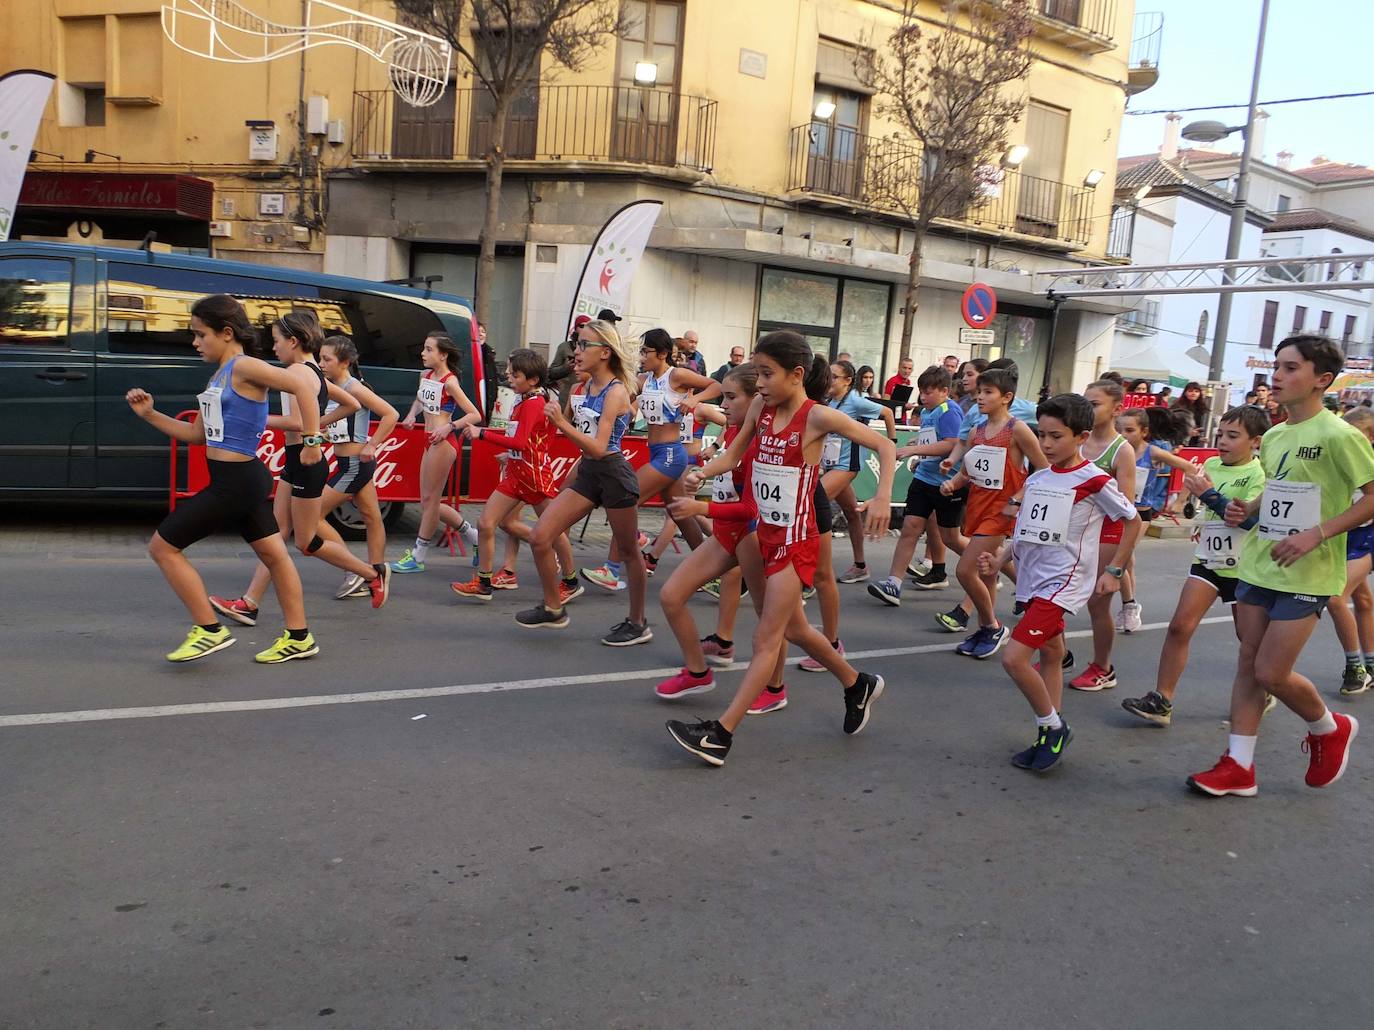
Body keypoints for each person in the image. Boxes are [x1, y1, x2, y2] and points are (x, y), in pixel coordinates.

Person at [663, 330, 895, 767]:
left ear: (797, 374)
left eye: (767, 373)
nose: (760, 382)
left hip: (797, 541)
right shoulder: (759, 407)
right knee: (796, 630)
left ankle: (720, 734)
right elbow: (734, 455)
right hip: (763, 533)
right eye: (757, 372)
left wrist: (882, 495)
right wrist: (702, 473)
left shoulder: (817, 417)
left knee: (766, 638)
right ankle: (856, 682)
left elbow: (883, 443)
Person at [1187, 334, 1374, 797]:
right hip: (1258, 564)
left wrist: (1317, 534)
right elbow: (1278, 490)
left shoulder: (1341, 435)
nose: (1278, 376)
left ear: (1322, 380)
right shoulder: (1274, 434)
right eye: (1277, 366)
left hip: (1310, 571)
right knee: (1249, 665)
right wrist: (1246, 509)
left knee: (1272, 672)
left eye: (1291, 368)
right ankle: (1239, 766)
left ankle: (1330, 728)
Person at [125, 294, 321, 664]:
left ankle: (209, 630)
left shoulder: (245, 367)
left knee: (162, 547)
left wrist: (312, 441)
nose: (195, 343)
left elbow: (304, 388)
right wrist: (150, 415)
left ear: (227, 332)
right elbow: (198, 435)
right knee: (275, 556)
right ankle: (299, 637)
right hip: (240, 478)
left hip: (237, 481)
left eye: (201, 335)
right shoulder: (219, 375)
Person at [978, 393, 1141, 771]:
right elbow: (1027, 529)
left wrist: (1115, 571)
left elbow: (1133, 521)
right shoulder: (1040, 477)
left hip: (1062, 584)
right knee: (1051, 654)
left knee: (1015, 659)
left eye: (1056, 437)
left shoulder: (1095, 479)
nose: (1047, 444)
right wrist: (1000, 557)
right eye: (1043, 435)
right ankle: (1046, 731)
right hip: (1032, 580)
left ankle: (1053, 727)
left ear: (1081, 436)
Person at [209, 312, 390, 626]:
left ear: (294, 341)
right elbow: (352, 405)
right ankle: (249, 603)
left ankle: (371, 574)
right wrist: (316, 426)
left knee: (306, 542)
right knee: (276, 536)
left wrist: (256, 421)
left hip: (306, 463)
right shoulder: (313, 372)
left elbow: (297, 420)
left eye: (277, 341)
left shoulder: (298, 372)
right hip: (298, 460)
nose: (273, 347)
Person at [1120, 405, 1269, 725]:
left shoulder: (1259, 475)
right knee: (1179, 627)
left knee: (1249, 639)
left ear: (1255, 441)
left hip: (1244, 569)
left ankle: (1263, 689)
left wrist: (1211, 495)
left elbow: (1246, 522)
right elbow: (1204, 503)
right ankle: (1162, 700)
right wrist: (1194, 510)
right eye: (1220, 435)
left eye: (1233, 436)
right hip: (1209, 561)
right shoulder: (1213, 463)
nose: (1223, 442)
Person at [516, 319, 650, 644]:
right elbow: (582, 442)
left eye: (583, 345)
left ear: (604, 352)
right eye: (576, 344)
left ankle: (637, 622)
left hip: (614, 473)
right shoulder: (583, 388)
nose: (576, 351)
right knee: (539, 536)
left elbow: (600, 447)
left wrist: (562, 422)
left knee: (630, 553)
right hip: (589, 472)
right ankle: (553, 608)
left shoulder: (616, 391)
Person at [653, 364, 767, 702]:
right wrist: (700, 474)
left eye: (731, 398)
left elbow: (751, 510)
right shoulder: (733, 433)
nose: (725, 405)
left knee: (776, 623)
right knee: (671, 595)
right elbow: (725, 463)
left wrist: (699, 508)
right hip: (726, 535)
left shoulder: (758, 443)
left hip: (751, 536)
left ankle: (782, 686)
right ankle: (699, 671)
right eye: (724, 398)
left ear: (756, 401)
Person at [581, 329, 720, 592]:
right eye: (640, 352)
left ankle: (611, 570)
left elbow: (716, 385)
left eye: (646, 352)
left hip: (670, 455)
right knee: (681, 514)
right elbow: (621, 396)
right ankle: (712, 571)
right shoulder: (643, 380)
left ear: (663, 354)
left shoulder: (676, 375)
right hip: (657, 452)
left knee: (626, 500)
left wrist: (695, 399)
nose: (641, 357)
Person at [451, 348, 581, 605]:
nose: (509, 376)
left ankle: (570, 581)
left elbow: (521, 441)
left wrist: (483, 435)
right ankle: (484, 581)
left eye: (515, 373)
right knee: (486, 523)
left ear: (532, 379)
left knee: (554, 532)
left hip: (534, 478)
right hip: (516, 474)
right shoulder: (525, 398)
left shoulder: (534, 403)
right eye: (510, 371)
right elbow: (523, 438)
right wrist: (504, 450)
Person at [939, 367, 1047, 659]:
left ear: (1006, 397)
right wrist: (952, 483)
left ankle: (992, 625)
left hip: (1000, 513)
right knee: (988, 571)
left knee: (965, 570)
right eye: (979, 392)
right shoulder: (976, 431)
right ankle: (985, 629)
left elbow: (1044, 470)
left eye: (988, 392)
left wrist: (1018, 497)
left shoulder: (1017, 430)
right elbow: (968, 472)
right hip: (977, 507)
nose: (980, 397)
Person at [868, 365, 966, 605]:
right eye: (921, 392)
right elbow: (933, 440)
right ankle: (893, 584)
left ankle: (991, 565)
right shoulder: (929, 411)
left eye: (928, 392)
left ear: (944, 391)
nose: (923, 397)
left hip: (947, 484)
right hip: (923, 479)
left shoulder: (949, 410)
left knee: (951, 538)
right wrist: (920, 451)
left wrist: (914, 449)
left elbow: (951, 443)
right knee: (910, 527)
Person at [388, 333, 483, 573]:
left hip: (444, 442)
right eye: (424, 348)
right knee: (428, 501)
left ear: (443, 355)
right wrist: (411, 415)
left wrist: (448, 427)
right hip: (427, 439)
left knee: (430, 502)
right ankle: (475, 536)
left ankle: (418, 556)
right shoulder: (426, 376)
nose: (423, 353)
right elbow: (421, 400)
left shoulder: (450, 382)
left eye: (429, 349)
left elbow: (474, 415)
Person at [317, 335, 400, 600]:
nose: (321, 364)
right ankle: (377, 572)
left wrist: (372, 445)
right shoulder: (332, 387)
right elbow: (340, 428)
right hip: (347, 462)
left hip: (355, 465)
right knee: (371, 515)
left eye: (326, 359)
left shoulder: (354, 388)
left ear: (345, 362)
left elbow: (391, 414)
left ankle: (354, 570)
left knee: (312, 517)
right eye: (320, 358)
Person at [1068, 379, 1137, 691]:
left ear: (1117, 409)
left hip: (1107, 534)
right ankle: (1056, 653)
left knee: (1098, 604)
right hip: (1073, 530)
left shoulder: (1121, 451)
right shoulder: (1076, 441)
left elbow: (1127, 509)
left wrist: (1118, 565)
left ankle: (1103, 667)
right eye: (1085, 402)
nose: (1087, 408)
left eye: (1095, 404)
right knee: (1056, 595)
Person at [823, 359, 896, 585]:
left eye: (835, 376)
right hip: (831, 465)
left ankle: (809, 574)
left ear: (847, 381)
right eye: (829, 375)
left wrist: (892, 441)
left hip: (847, 467)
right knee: (852, 513)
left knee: (809, 508)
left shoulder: (856, 401)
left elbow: (887, 413)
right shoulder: (829, 402)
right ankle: (860, 566)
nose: (830, 380)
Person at [1326, 406, 1374, 696]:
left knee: (1334, 598)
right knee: (1363, 600)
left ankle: (1354, 666)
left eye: (1355, 436)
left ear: (1370, 437)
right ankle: (1371, 663)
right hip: (1341, 537)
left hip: (1366, 537)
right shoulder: (1340, 460)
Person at [548, 314, 591, 405]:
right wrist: (565, 368)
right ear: (575, 328)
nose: (585, 328)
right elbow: (551, 372)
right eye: (582, 325)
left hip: (587, 395)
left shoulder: (593, 347)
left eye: (588, 325)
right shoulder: (564, 347)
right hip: (567, 396)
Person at [1173, 381, 1210, 446]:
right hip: (1178, 443)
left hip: (1193, 442)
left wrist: (1200, 437)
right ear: (1185, 393)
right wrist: (1188, 432)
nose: (1193, 393)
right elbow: (1171, 425)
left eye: (1196, 391)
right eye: (1190, 391)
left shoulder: (1202, 408)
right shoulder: (1177, 407)